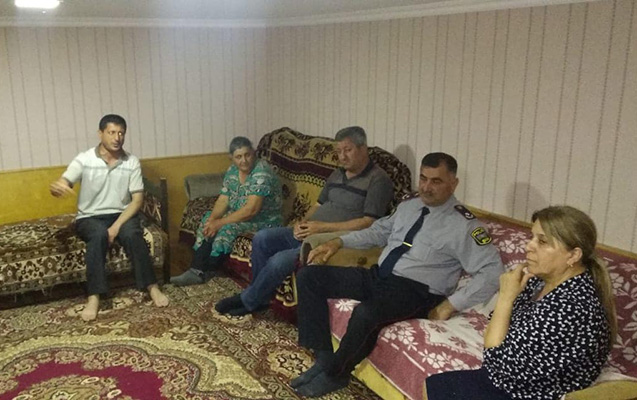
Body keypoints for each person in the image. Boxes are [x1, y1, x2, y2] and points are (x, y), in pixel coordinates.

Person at [291, 152, 504, 397]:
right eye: (423, 178)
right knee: (310, 277)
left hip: (416, 291)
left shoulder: (465, 226)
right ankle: (324, 357)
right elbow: (377, 232)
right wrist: (339, 241)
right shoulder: (409, 206)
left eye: (436, 181)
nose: (426, 187)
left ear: (453, 184)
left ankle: (335, 374)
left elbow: (492, 271)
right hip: (380, 276)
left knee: (366, 313)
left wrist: (451, 304)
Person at [424, 205, 616, 400]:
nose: (528, 246)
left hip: (533, 392)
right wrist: (506, 304)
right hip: (512, 379)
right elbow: (495, 328)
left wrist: (506, 296)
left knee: (436, 388)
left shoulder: (571, 306)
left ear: (573, 255)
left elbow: (496, 360)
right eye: (532, 237)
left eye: (542, 241)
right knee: (433, 384)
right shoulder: (539, 281)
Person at [214, 126, 394, 317]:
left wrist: (321, 227)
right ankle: (259, 298)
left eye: (347, 150)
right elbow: (318, 204)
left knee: (279, 260)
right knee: (262, 238)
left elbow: (369, 222)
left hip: (330, 238)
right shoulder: (337, 173)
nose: (342, 156)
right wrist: (302, 222)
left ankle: (249, 300)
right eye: (339, 151)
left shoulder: (378, 180)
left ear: (363, 148)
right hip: (310, 229)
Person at [49, 114, 169, 322]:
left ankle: (152, 287)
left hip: (122, 214)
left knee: (132, 234)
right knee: (98, 236)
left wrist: (116, 227)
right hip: (90, 216)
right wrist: (58, 187)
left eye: (121, 133)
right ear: (101, 133)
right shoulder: (85, 159)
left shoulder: (131, 161)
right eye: (112, 132)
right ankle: (94, 296)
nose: (117, 138)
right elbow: (64, 181)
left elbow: (137, 201)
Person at [170, 137, 283, 286]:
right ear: (231, 158)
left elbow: (251, 210)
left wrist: (220, 223)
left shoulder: (261, 172)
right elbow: (223, 200)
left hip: (263, 220)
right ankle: (196, 270)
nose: (244, 160)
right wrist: (213, 219)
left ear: (253, 153)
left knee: (227, 228)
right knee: (207, 220)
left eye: (247, 155)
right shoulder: (232, 171)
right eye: (238, 157)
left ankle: (206, 269)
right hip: (241, 214)